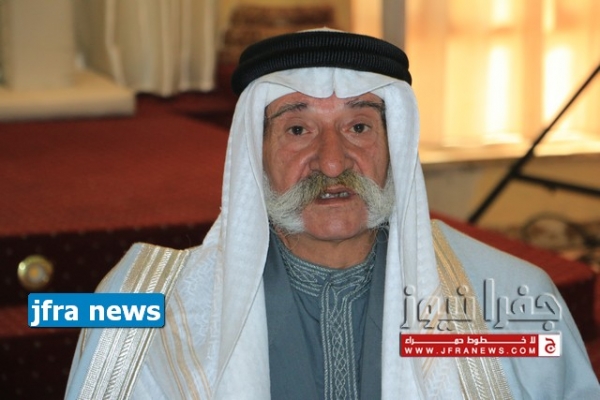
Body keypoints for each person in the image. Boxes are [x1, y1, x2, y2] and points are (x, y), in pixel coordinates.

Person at [65, 29, 600, 399]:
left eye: (359, 127)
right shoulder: (144, 308)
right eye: (298, 129)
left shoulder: (510, 300)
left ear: (395, 145)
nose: (332, 162)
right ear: (255, 154)